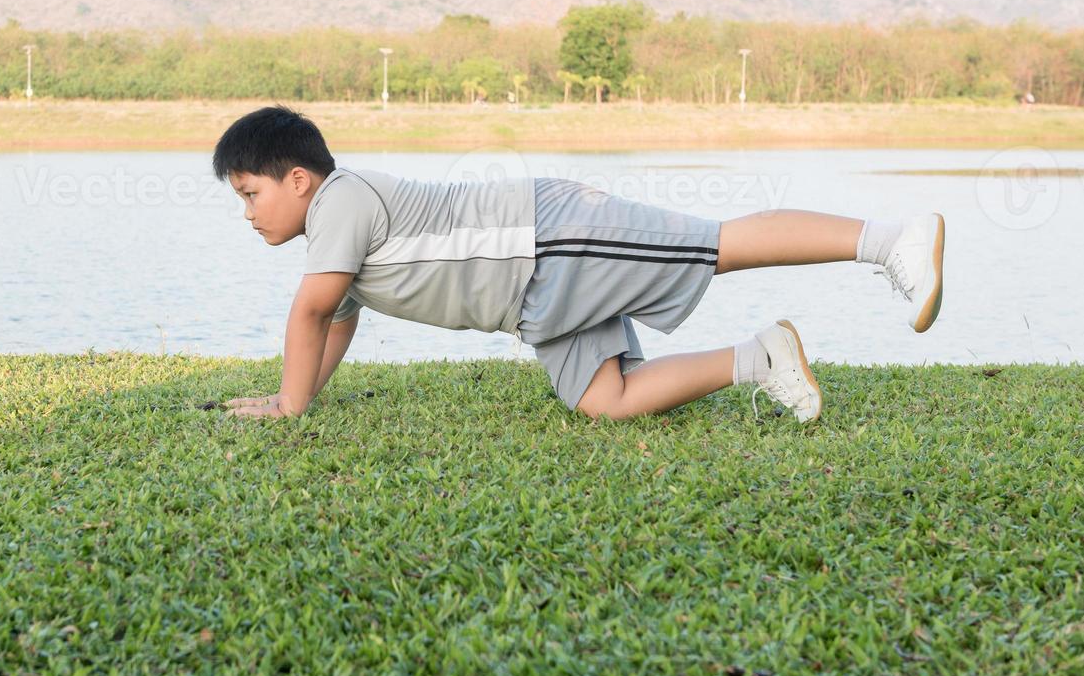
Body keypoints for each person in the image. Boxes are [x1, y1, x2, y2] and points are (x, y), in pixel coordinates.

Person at [213, 105, 945, 423]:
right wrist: (299, 396)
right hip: (537, 300)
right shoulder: (334, 244)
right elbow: (331, 326)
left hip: (550, 239)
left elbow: (310, 313)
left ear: (299, 179)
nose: (247, 214)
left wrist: (290, 406)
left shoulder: (341, 197)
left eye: (250, 194)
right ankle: (760, 359)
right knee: (604, 401)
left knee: (713, 246)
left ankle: (888, 239)